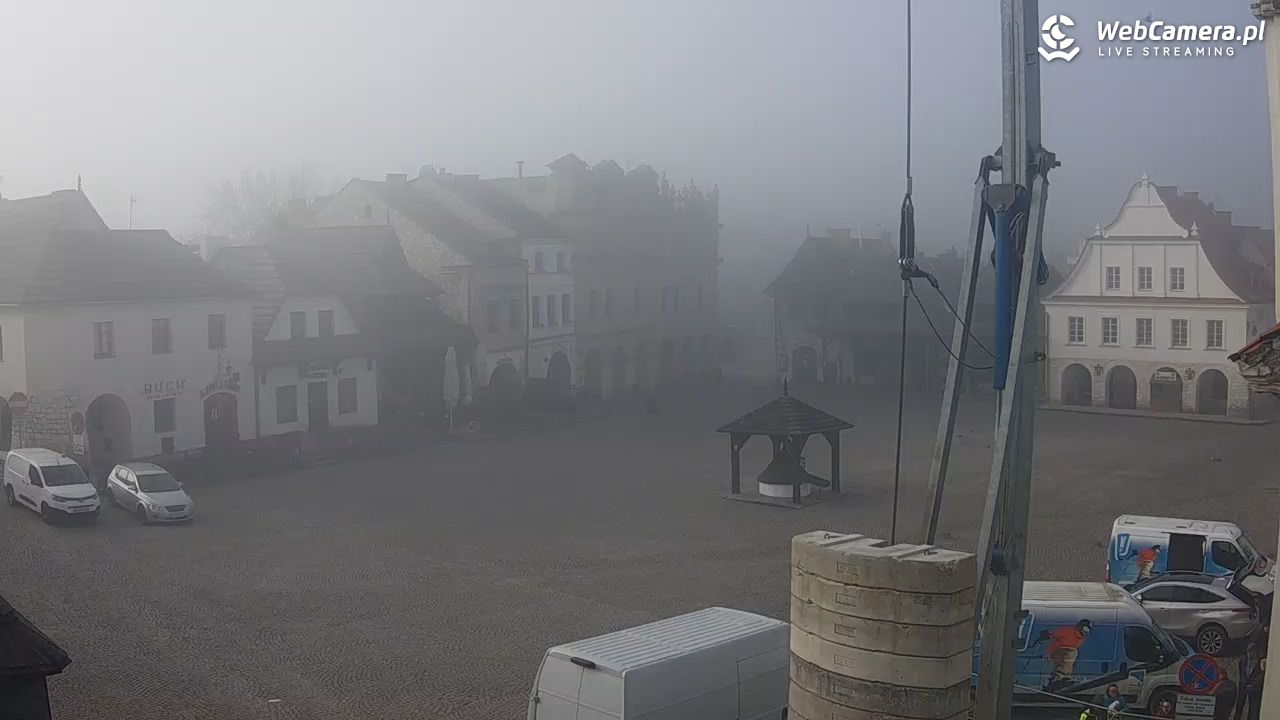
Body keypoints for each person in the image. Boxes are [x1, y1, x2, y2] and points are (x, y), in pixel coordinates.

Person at [1032, 619, 1093, 691]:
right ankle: (1059, 677)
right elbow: (1054, 634)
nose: (1085, 632)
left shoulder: (1081, 638)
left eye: (1088, 630)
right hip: (1055, 652)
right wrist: (1047, 634)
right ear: (1080, 627)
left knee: (1071, 659)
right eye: (1085, 628)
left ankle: (1057, 678)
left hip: (1064, 655)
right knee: (1072, 652)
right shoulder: (1069, 632)